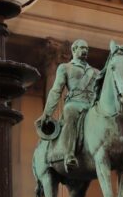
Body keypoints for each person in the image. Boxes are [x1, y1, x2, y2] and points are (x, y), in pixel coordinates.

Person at [37, 39, 103, 168]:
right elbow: (56, 90)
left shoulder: (96, 72)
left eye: (86, 49)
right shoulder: (65, 67)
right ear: (73, 50)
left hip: (92, 105)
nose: (84, 51)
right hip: (75, 102)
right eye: (81, 48)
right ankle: (69, 154)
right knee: (70, 111)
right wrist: (47, 112)